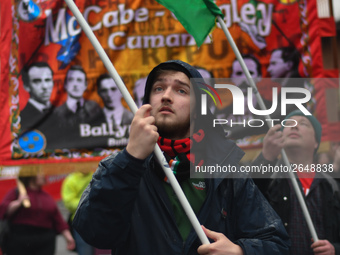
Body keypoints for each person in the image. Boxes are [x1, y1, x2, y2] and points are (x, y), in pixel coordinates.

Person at [72, 60, 290, 254]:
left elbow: (276, 242)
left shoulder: (226, 169)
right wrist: (131, 159)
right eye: (158, 88)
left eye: (181, 91)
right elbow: (94, 233)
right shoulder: (118, 166)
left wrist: (239, 251)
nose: (166, 95)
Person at [252, 110, 340, 254]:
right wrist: (266, 157)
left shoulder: (332, 185)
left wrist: (335, 249)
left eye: (303, 123)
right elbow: (243, 202)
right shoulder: (270, 177)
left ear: (316, 142)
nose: (294, 126)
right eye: (288, 124)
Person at [0, 171, 75, 255]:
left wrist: (68, 237)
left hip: (45, 242)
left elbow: (58, 219)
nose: (44, 175)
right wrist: (18, 202)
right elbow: (4, 210)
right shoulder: (16, 193)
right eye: (40, 173)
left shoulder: (47, 197)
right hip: (20, 240)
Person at [53, 65, 104, 149]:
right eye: (71, 80)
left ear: (85, 85)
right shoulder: (57, 113)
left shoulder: (95, 108)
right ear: (65, 84)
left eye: (79, 80)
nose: (75, 85)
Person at [95, 73, 134, 148]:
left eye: (113, 89)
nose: (109, 95)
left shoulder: (133, 118)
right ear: (99, 93)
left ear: (123, 91)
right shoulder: (93, 120)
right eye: (104, 90)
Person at [61, 169, 95, 255]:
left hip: (99, 221)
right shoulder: (71, 180)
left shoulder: (96, 176)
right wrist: (89, 202)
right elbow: (69, 203)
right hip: (81, 223)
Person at [20, 62, 55, 133]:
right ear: (26, 86)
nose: (45, 86)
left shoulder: (60, 112)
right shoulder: (21, 118)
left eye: (47, 80)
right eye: (37, 81)